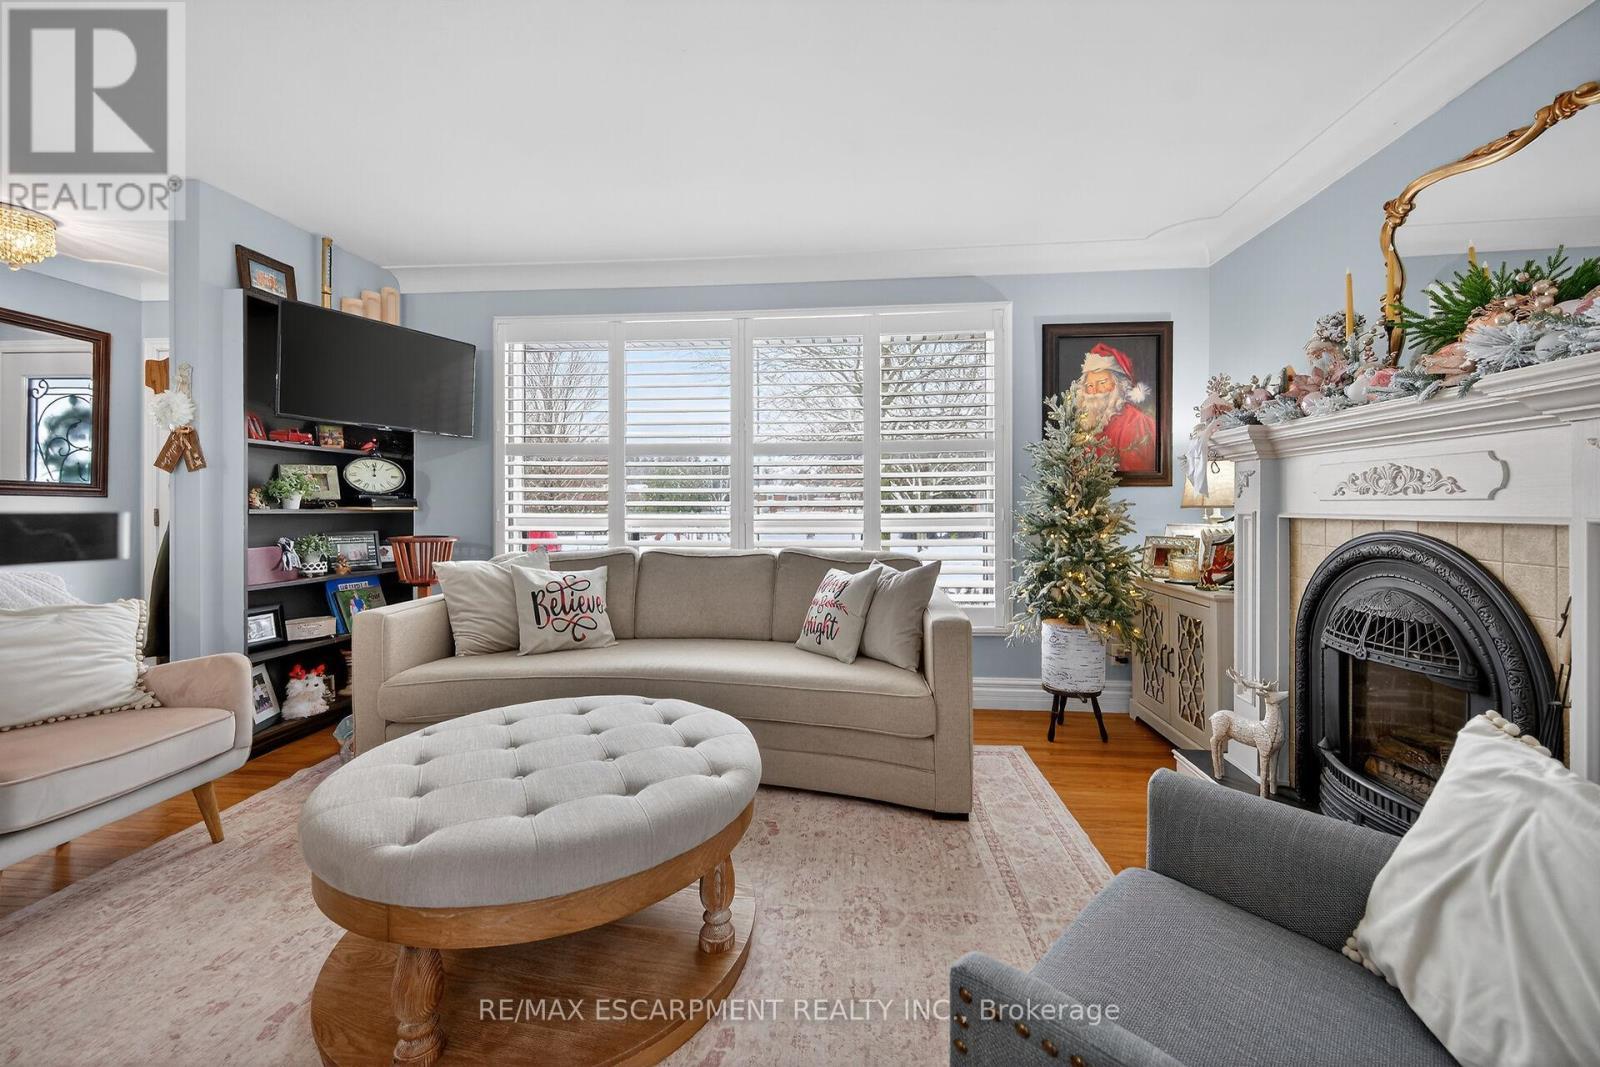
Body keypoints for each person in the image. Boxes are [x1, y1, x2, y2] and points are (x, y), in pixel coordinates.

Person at [1072, 342, 1157, 472]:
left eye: (1101, 383)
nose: (1094, 390)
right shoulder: (1084, 423)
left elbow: (1136, 474)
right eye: (1089, 385)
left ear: (1119, 385)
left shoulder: (1136, 423)